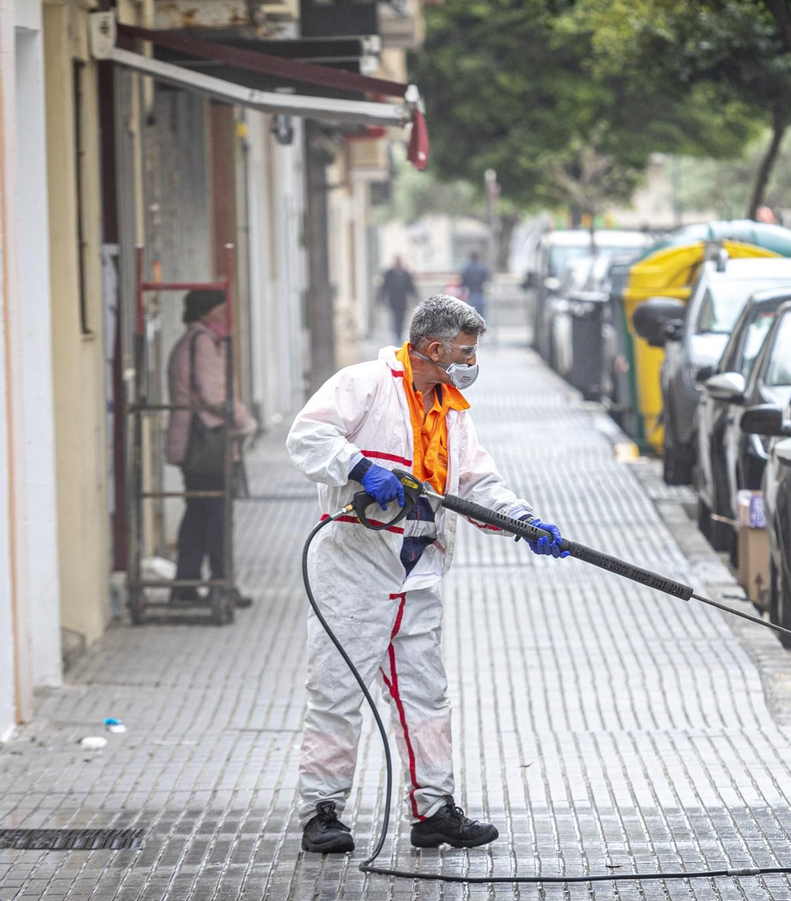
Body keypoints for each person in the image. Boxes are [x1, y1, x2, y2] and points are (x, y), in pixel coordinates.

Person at [286, 294, 568, 854]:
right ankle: (321, 811)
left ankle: (434, 811)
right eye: (464, 352)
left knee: (425, 696)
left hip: (418, 569)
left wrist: (524, 521)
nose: (471, 362)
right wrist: (362, 468)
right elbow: (308, 437)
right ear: (434, 348)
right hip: (354, 568)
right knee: (338, 691)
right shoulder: (365, 384)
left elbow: (476, 482)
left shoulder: (451, 408)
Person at [165, 289, 258, 608]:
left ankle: (186, 585)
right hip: (205, 442)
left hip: (199, 441)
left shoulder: (196, 341)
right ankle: (221, 585)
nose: (226, 315)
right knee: (216, 515)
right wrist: (245, 420)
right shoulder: (203, 342)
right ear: (207, 313)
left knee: (199, 514)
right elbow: (212, 393)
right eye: (221, 309)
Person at [378, 257, 417, 342]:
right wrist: (381, 298)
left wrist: (415, 298)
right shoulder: (389, 274)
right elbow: (384, 287)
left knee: (402, 319)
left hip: (403, 301)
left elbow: (411, 287)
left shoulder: (406, 274)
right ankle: (397, 336)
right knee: (395, 319)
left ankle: (400, 335)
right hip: (393, 301)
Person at [459, 251, 490, 322]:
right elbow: (487, 278)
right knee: (482, 315)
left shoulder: (467, 268)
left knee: (472, 315)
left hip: (471, 292)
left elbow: (463, 281)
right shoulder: (482, 268)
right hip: (480, 292)